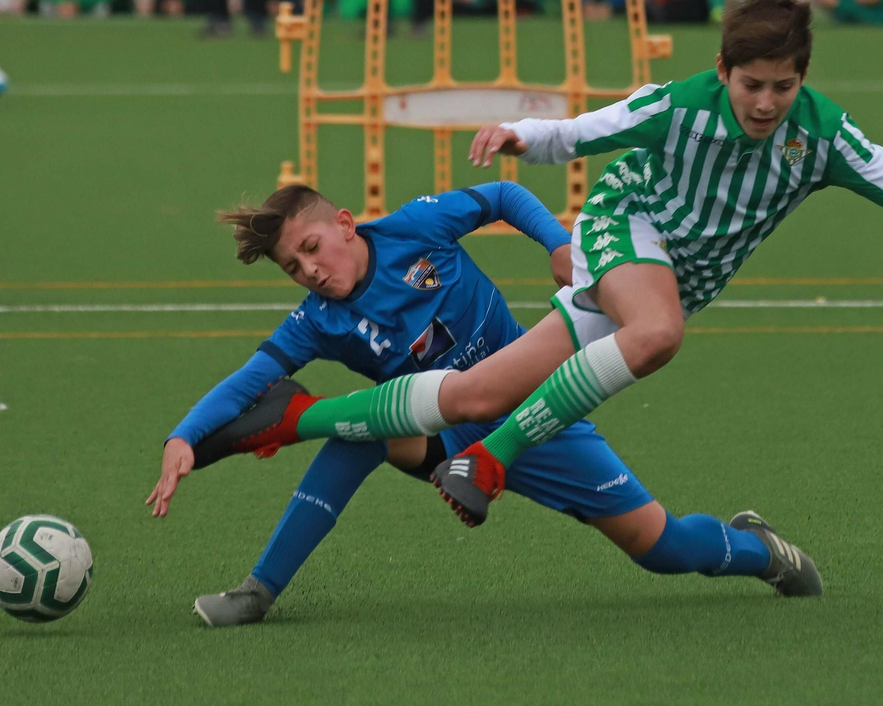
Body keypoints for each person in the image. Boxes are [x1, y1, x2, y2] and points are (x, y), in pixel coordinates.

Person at [173, 0, 883, 537]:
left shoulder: (824, 136)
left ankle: (291, 419)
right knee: (657, 332)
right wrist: (523, 135)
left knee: (482, 390)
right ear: (724, 71)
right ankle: (492, 457)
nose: (765, 103)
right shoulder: (682, 105)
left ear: (802, 78)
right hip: (624, 228)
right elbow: (589, 131)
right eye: (750, 85)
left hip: (670, 278)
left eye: (782, 86)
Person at [147, 181, 816, 625]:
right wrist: (184, 436)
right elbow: (250, 376)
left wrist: (559, 243)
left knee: (658, 545)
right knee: (358, 431)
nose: (311, 271)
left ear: (346, 225)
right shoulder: (318, 320)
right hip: (444, 433)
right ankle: (258, 592)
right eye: (294, 267)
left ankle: (760, 549)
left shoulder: (415, 228)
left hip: (534, 414)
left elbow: (501, 192)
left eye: (312, 248)